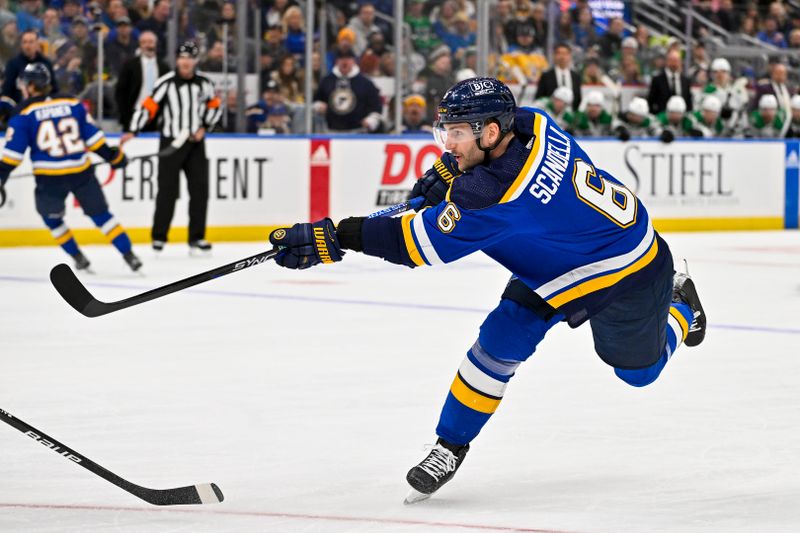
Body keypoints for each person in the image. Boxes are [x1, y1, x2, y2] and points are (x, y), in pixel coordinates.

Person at [264, 77, 707, 502]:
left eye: (456, 133)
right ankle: (450, 447)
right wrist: (448, 171)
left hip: (626, 269)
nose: (447, 144)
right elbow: (480, 173)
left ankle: (680, 308)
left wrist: (336, 237)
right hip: (554, 259)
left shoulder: (496, 196)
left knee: (638, 374)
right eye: (447, 131)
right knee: (499, 339)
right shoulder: (532, 124)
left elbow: (414, 245)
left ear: (491, 131)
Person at [0, 63, 141, 272]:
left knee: (52, 219)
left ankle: (77, 256)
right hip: (81, 173)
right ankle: (129, 255)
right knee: (102, 215)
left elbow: (13, 156)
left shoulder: (23, 112)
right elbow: (94, 140)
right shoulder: (72, 102)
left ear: (30, 86)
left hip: (50, 179)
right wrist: (114, 157)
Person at [121, 42, 221, 252]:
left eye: (190, 57)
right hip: (171, 143)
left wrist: (205, 127)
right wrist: (133, 129)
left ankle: (196, 237)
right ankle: (159, 237)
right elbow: (148, 107)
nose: (185, 61)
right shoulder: (165, 83)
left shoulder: (205, 84)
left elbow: (214, 106)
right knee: (167, 191)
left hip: (195, 144)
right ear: (177, 60)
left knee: (200, 190)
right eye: (182, 57)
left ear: (195, 61)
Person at [312, 48, 382, 133]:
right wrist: (318, 105)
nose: (345, 62)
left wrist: (371, 119)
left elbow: (376, 106)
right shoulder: (327, 81)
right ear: (337, 61)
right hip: (331, 131)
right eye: (341, 59)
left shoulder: (366, 83)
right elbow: (315, 101)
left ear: (354, 61)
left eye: (348, 59)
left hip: (359, 133)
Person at [114, 30, 169, 135]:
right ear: (140, 45)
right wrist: (126, 117)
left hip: (156, 117)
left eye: (151, 42)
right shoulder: (130, 66)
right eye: (144, 42)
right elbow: (120, 93)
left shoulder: (164, 68)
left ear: (156, 44)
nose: (148, 45)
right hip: (133, 115)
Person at [1, 29, 58, 119]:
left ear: (37, 44)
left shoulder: (46, 63)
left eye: (31, 42)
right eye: (24, 42)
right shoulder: (13, 64)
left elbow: (54, 89)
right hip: (20, 111)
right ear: (21, 44)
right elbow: (7, 91)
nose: (27, 46)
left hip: (44, 110)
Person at [534, 42, 581, 111]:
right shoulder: (546, 76)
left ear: (570, 56)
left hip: (570, 116)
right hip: (550, 114)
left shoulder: (576, 76)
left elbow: (578, 99)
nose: (562, 57)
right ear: (554, 56)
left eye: (565, 54)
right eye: (559, 53)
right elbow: (539, 98)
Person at [647, 50, 692, 115]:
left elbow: (688, 101)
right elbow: (651, 101)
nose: (674, 64)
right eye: (671, 60)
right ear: (666, 61)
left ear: (680, 62)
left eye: (676, 61)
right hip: (662, 118)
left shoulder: (685, 81)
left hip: (681, 118)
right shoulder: (657, 80)